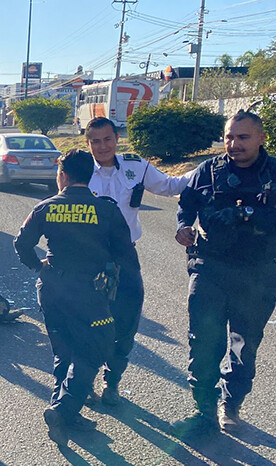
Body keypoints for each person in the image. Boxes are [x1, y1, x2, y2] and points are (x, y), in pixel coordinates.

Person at [14, 149, 140, 446]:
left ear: (64, 175)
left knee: (64, 351)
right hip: (90, 292)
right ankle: (63, 409)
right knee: (95, 350)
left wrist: (38, 266)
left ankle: (68, 416)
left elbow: (21, 243)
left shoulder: (46, 207)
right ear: (90, 175)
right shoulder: (106, 210)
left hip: (52, 289)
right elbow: (126, 255)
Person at [172, 110, 276, 438]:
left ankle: (230, 405)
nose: (234, 144)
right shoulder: (208, 170)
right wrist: (183, 226)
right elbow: (186, 205)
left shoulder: (273, 173)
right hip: (210, 268)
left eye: (243, 137)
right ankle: (203, 410)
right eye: (230, 137)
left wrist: (248, 214)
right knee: (203, 343)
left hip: (257, 274)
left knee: (244, 345)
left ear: (261, 138)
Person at [83, 117, 191, 406]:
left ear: (117, 139)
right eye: (95, 141)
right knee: (86, 322)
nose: (102, 146)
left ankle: (112, 381)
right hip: (88, 257)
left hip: (124, 256)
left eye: (107, 139)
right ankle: (81, 380)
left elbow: (170, 186)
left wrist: (205, 171)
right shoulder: (78, 168)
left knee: (126, 322)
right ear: (87, 143)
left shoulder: (135, 166)